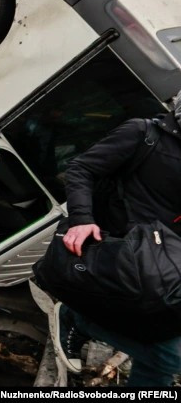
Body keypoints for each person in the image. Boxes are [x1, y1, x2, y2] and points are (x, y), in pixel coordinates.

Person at [55, 101, 181, 386]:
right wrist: (81, 218)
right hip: (118, 252)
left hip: (165, 265)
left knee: (161, 360)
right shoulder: (143, 132)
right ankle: (75, 319)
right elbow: (80, 169)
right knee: (167, 356)